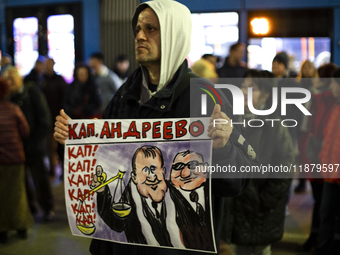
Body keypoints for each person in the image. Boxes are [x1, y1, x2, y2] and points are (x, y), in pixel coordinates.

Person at [54, 1, 259, 254]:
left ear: (175, 35)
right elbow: (106, 175)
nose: (139, 36)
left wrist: (222, 149)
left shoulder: (205, 98)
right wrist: (78, 145)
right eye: (138, 28)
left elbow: (236, 183)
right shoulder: (123, 95)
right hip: (122, 243)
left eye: (151, 29)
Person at [220, 70, 293, 255]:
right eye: (244, 86)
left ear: (266, 96)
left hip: (260, 217)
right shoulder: (231, 122)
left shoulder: (275, 127)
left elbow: (284, 172)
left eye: (252, 89)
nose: (244, 92)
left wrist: (262, 202)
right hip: (233, 216)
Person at [3, 66, 54, 222]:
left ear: (20, 79)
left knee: (40, 180)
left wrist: (34, 141)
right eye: (7, 79)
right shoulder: (8, 99)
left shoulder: (33, 94)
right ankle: (30, 209)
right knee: (22, 182)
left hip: (35, 146)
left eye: (13, 78)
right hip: (17, 148)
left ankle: (47, 208)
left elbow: (45, 120)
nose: (10, 82)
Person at [0, 78, 33, 243]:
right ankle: (21, 227)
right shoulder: (14, 108)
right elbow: (25, 131)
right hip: (15, 158)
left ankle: (3, 230)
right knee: (18, 193)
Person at [315, 68, 340, 255]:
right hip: (330, 173)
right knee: (326, 215)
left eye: (334, 83)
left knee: (329, 216)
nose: (331, 86)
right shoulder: (335, 106)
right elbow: (328, 140)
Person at [40, 57, 67, 178]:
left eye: (49, 64)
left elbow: (65, 98)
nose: (47, 66)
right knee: (48, 146)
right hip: (46, 117)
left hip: (58, 116)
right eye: (46, 64)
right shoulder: (42, 80)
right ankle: (52, 168)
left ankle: (63, 169)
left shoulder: (59, 80)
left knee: (61, 145)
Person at [294, 60, 317, 194]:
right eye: (305, 67)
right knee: (301, 155)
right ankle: (302, 181)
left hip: (310, 126)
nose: (307, 69)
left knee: (310, 155)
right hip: (300, 123)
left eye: (310, 67)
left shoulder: (315, 86)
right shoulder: (298, 85)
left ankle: (310, 179)